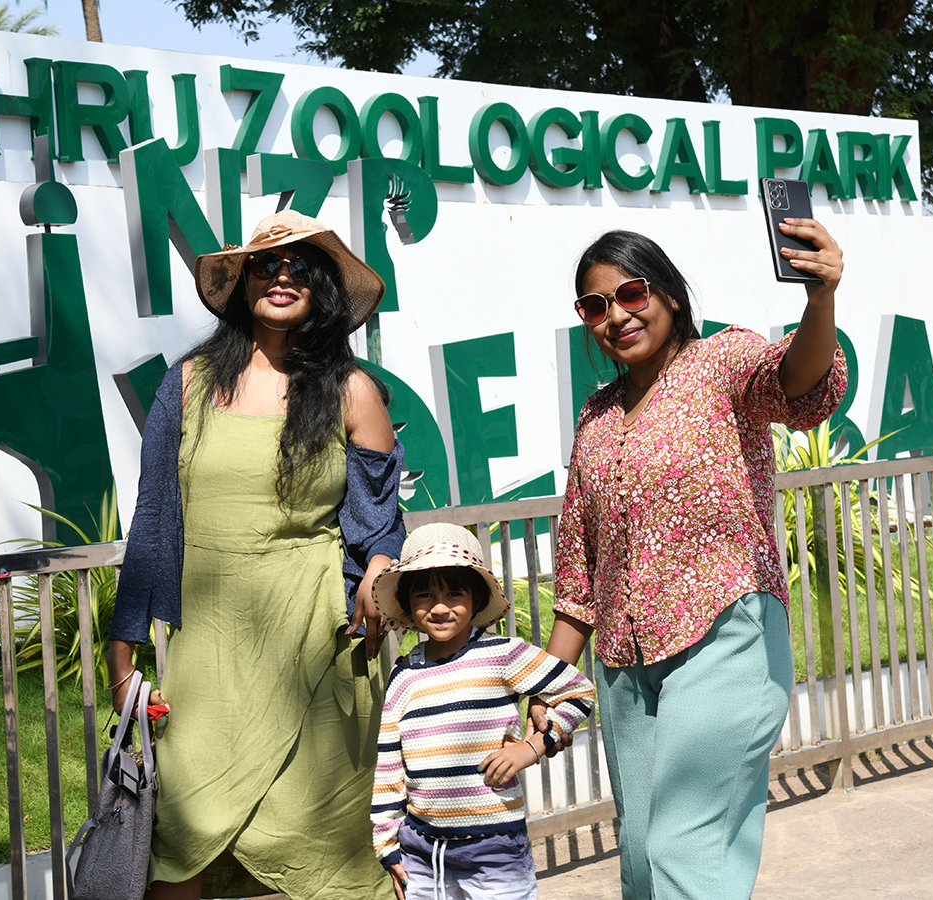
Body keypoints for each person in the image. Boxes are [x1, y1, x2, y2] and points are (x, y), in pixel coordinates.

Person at [535, 223, 848, 900]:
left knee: (686, 848)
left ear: (669, 295)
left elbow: (798, 382)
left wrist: (820, 298)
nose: (616, 315)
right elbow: (579, 577)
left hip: (722, 635)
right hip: (622, 667)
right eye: (595, 306)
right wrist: (550, 688)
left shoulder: (720, 363)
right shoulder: (596, 417)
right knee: (646, 862)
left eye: (631, 293)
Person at [107, 210, 406, 900]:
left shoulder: (351, 390)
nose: (281, 277)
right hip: (206, 651)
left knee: (323, 844)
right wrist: (123, 656)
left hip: (317, 645)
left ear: (322, 288)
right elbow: (152, 524)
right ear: (241, 285)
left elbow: (377, 525)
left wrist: (382, 569)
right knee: (179, 839)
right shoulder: (185, 385)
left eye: (300, 266)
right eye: (265, 266)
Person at [370, 523, 595, 900]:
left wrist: (533, 747)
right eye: (424, 594)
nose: (439, 607)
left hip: (495, 848)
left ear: (475, 597)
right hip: (421, 853)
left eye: (453, 593)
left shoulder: (504, 654)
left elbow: (578, 691)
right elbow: (390, 764)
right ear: (408, 602)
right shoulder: (404, 674)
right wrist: (387, 843)